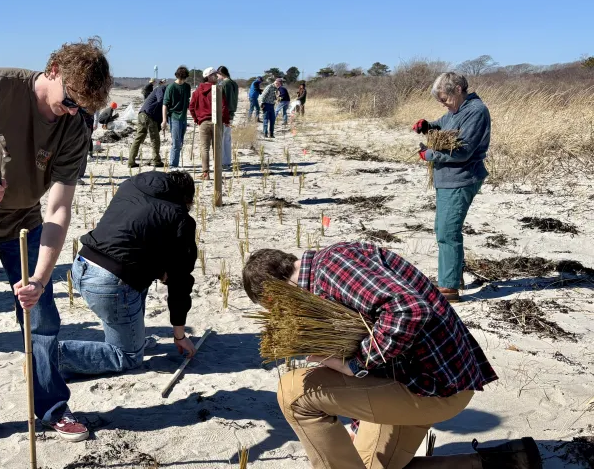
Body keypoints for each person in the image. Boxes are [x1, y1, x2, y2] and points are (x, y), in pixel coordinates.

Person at [0, 38, 113, 454]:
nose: (71, 113)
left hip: (25, 223)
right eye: (69, 102)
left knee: (42, 317)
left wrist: (40, 277)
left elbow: (59, 210)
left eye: (82, 109)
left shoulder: (75, 126)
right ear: (52, 71)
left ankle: (52, 408)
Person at [242, 244, 540, 469]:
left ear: (274, 294)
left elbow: (409, 308)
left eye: (275, 307)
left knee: (294, 392)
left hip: (432, 387)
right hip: (423, 381)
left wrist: (355, 365)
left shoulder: (333, 269)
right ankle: (500, 461)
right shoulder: (329, 269)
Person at [59, 170, 197, 376]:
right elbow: (180, 281)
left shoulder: (133, 185)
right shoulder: (180, 218)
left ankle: (134, 339)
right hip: (110, 284)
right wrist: (179, 335)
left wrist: (160, 270)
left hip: (81, 265)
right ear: (186, 199)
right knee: (129, 357)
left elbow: (131, 238)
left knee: (138, 280)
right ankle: (50, 355)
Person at [414, 72, 491, 302]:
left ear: (458, 89)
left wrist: (429, 154)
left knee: (448, 231)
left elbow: (463, 150)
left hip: (461, 178)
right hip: (447, 179)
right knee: (442, 228)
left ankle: (448, 288)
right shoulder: (456, 110)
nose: (443, 103)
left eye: (445, 98)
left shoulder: (476, 111)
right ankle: (452, 276)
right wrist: (428, 126)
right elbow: (442, 125)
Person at [188, 67, 230, 180]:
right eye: (214, 75)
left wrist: (197, 119)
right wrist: (226, 120)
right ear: (208, 76)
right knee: (216, 147)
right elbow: (224, 107)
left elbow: (191, 107)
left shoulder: (197, 91)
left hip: (203, 122)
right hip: (216, 122)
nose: (217, 76)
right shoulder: (217, 89)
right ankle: (216, 173)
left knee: (205, 148)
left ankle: (206, 173)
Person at [128, 79, 166, 168]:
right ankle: (156, 161)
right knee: (155, 139)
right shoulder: (161, 89)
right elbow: (161, 100)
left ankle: (131, 161)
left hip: (142, 114)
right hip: (149, 115)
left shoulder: (158, 89)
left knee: (138, 138)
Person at [161, 66, 191, 168]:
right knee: (176, 143)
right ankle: (173, 166)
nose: (182, 80)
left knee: (180, 142)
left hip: (183, 118)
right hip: (174, 118)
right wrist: (164, 120)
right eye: (181, 78)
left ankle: (175, 163)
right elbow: (165, 104)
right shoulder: (171, 87)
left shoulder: (187, 87)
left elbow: (188, 102)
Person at [217, 66, 238, 168]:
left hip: (225, 114)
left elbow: (223, 100)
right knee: (227, 138)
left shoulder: (224, 83)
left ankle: (222, 161)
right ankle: (227, 161)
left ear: (220, 73)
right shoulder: (234, 83)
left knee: (221, 138)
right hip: (231, 113)